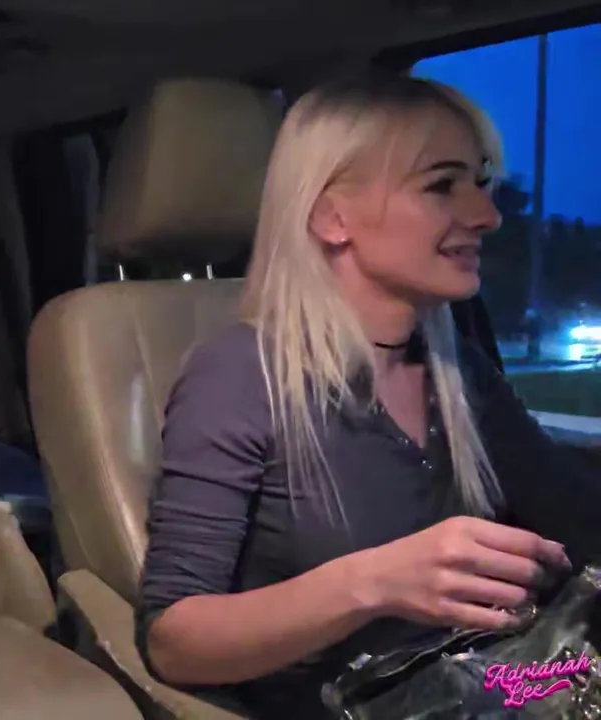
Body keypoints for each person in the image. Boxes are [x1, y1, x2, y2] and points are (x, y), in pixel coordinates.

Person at [137, 73, 600, 718]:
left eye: (481, 182)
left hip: (490, 686)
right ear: (332, 217)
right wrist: (374, 582)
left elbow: (579, 516)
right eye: (442, 186)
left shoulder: (454, 371)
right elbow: (174, 644)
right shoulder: (241, 374)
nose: (488, 216)